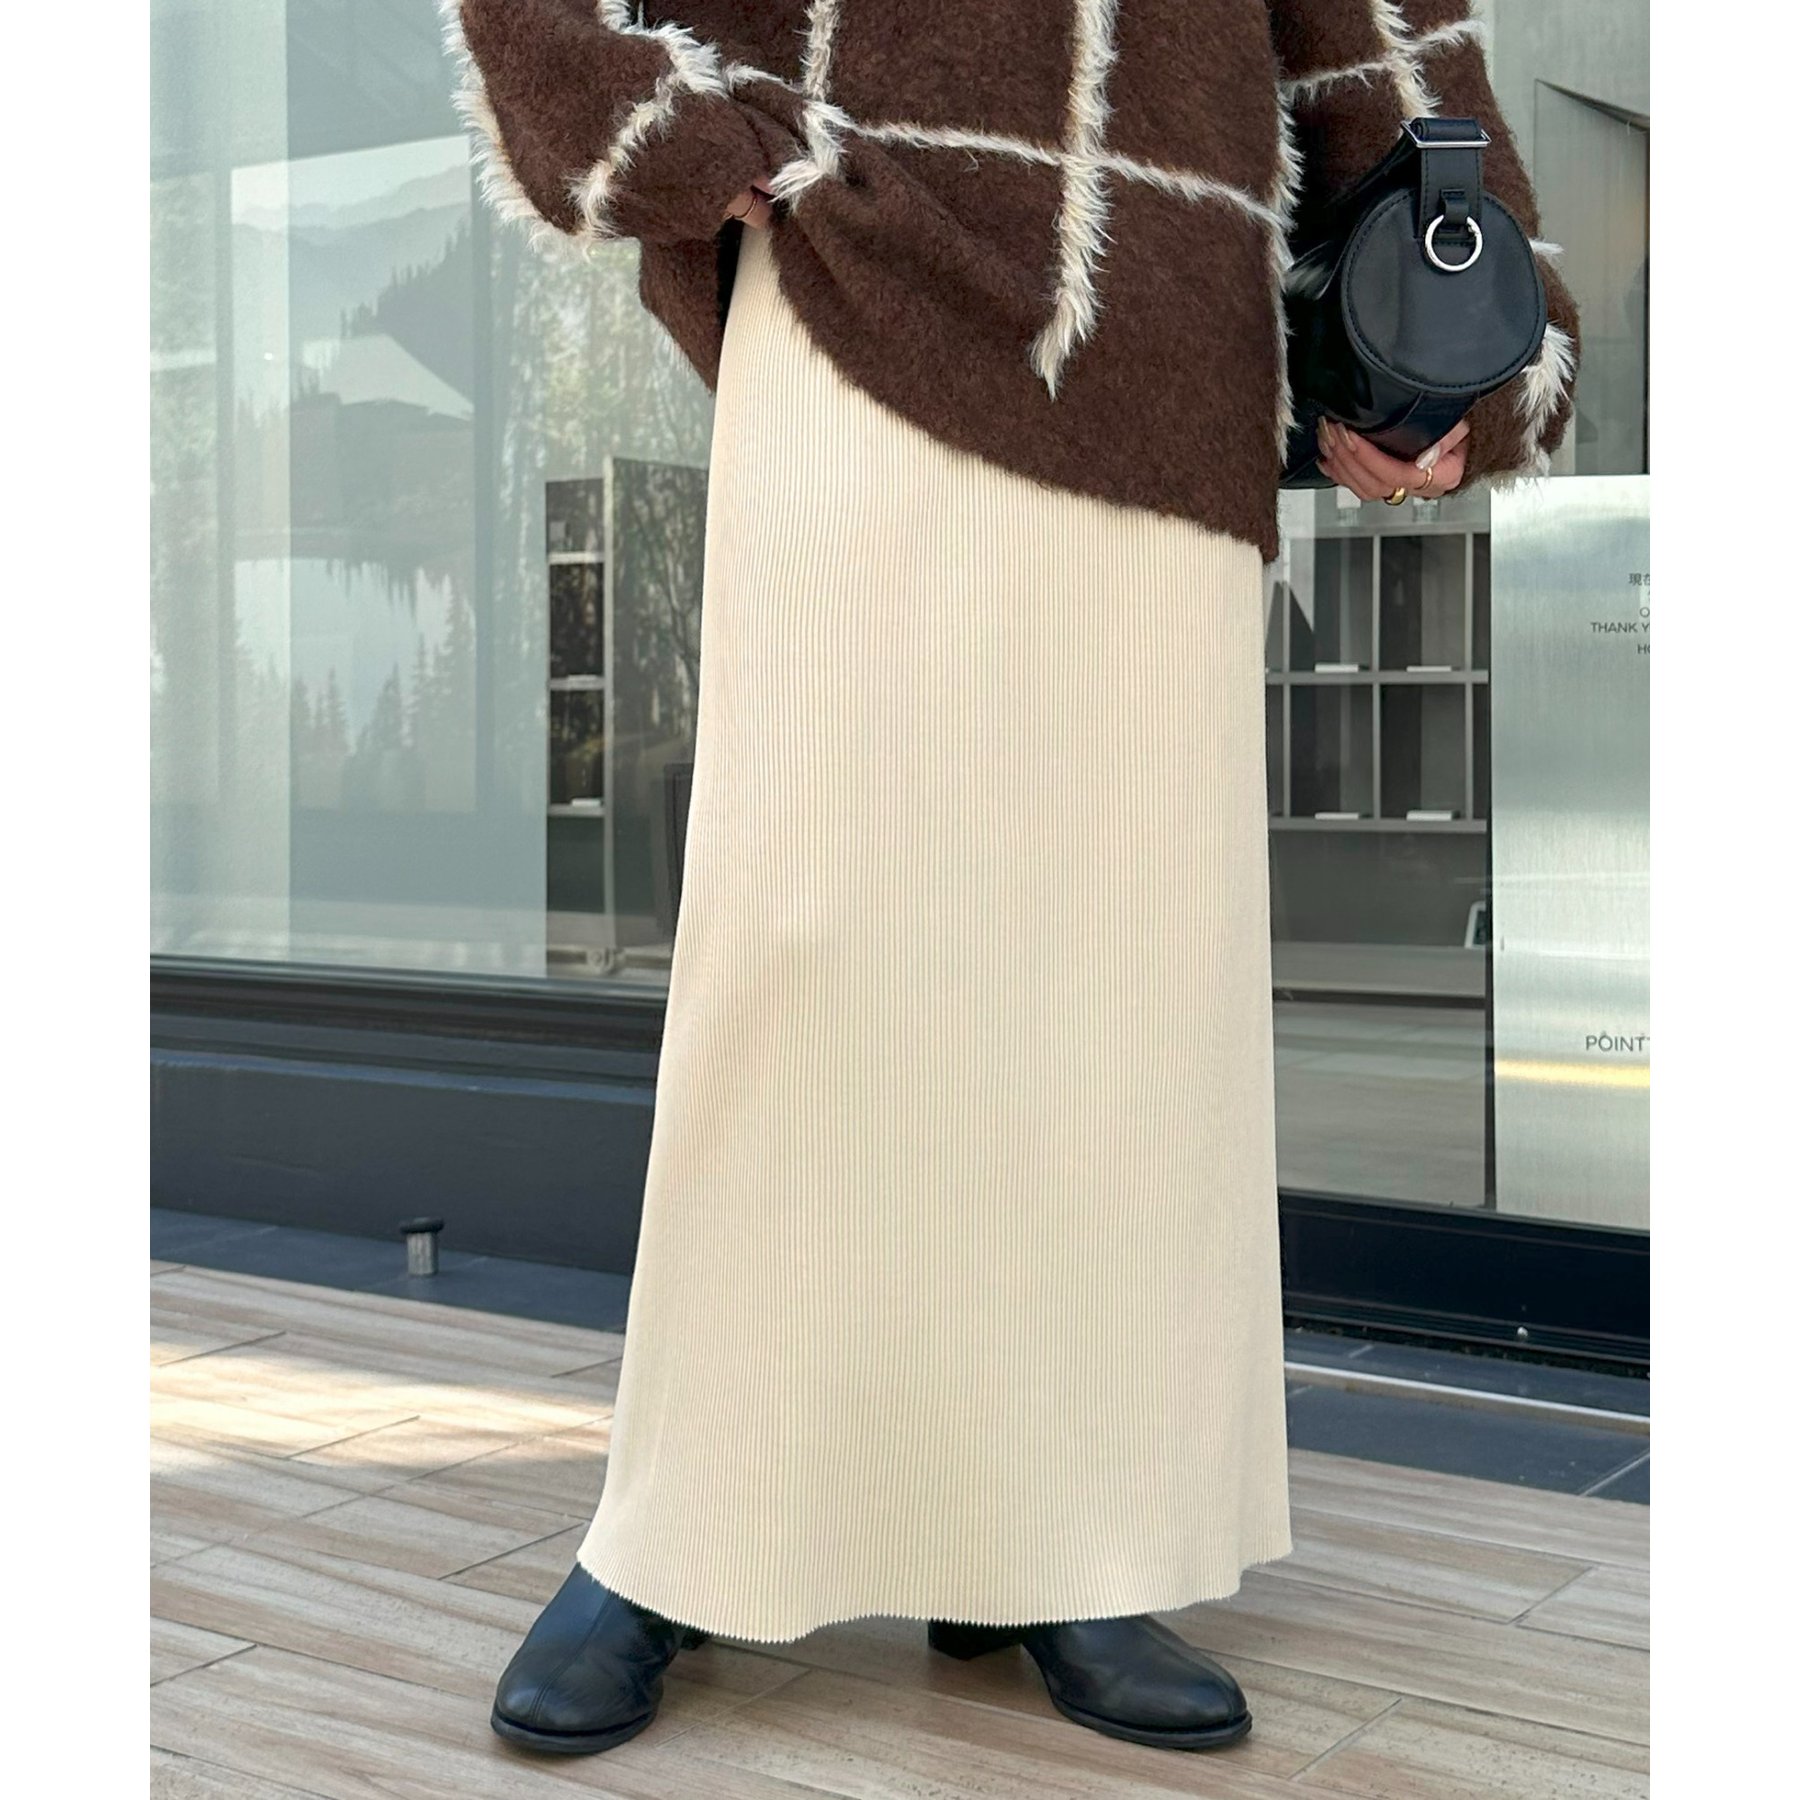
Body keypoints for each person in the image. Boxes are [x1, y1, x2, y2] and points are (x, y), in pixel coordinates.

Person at [439, 0, 1580, 1760]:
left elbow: (1388, 46)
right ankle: (686, 1529)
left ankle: (1059, 1535)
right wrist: (672, 131)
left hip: (1167, 331)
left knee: (1113, 975)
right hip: (855, 260)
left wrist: (1465, 338)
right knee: (801, 946)